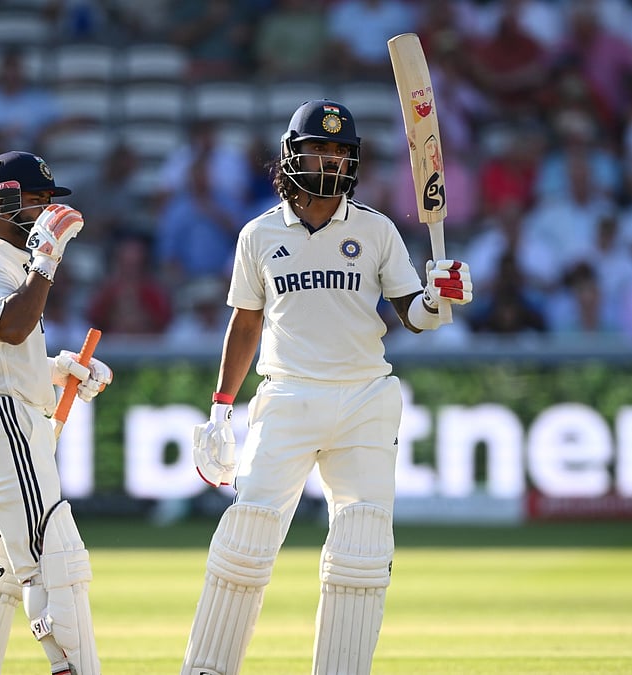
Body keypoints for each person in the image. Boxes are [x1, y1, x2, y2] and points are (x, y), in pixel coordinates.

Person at [180, 99, 473, 675]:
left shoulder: (376, 229)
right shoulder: (259, 235)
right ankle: (207, 669)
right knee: (247, 536)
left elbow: (410, 310)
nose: (331, 160)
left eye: (341, 151)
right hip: (287, 395)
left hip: (365, 397)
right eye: (319, 148)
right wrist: (220, 407)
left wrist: (437, 301)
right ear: (292, 154)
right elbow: (245, 322)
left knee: (362, 548)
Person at [0, 150, 112, 675]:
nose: (46, 211)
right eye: (37, 200)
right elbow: (11, 327)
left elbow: (4, 352)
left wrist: (57, 370)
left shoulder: (0, 264)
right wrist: (46, 258)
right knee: (55, 564)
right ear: (4, 202)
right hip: (3, 424)